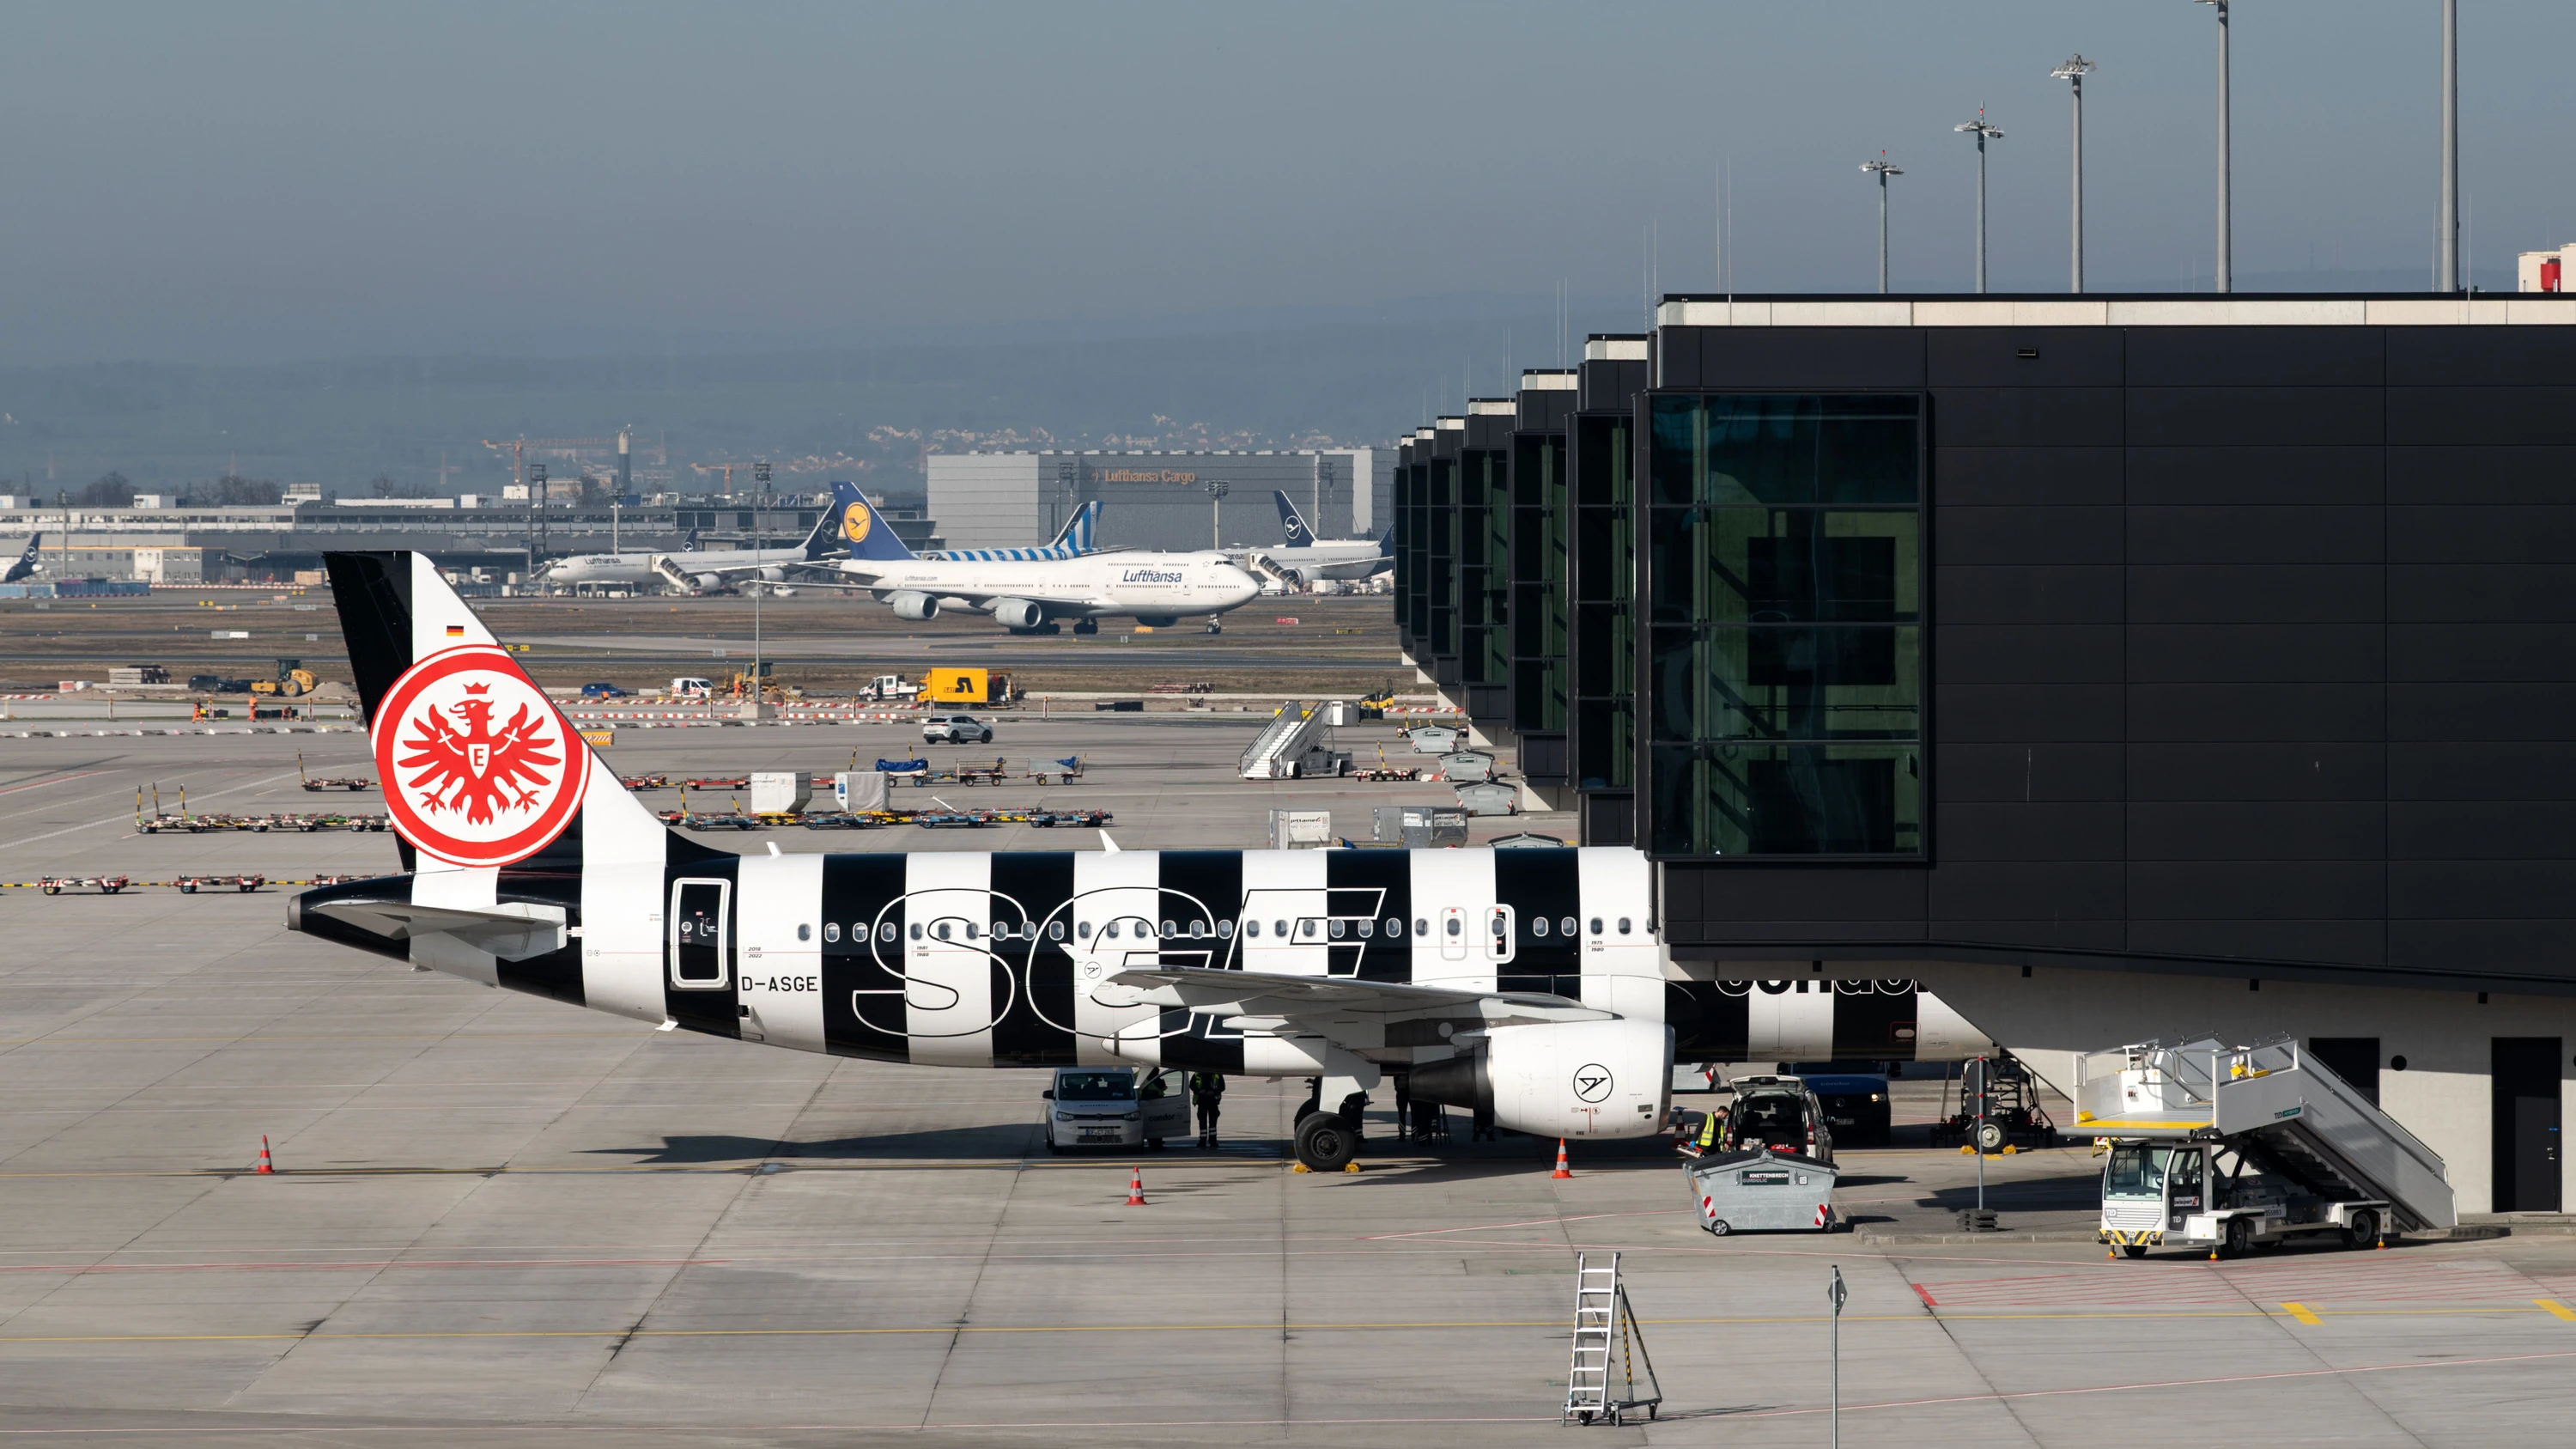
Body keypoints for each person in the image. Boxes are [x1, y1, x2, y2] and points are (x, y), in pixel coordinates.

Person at [1188, 1070, 1225, 1148]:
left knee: (1212, 1123)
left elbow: (1222, 1087)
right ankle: (1204, 1141)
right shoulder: (1198, 1074)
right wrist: (1199, 1091)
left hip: (1212, 1101)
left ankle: (1212, 1141)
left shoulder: (1216, 1074)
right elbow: (1191, 1085)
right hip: (1202, 1101)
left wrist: (1213, 1092)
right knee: (1203, 1123)